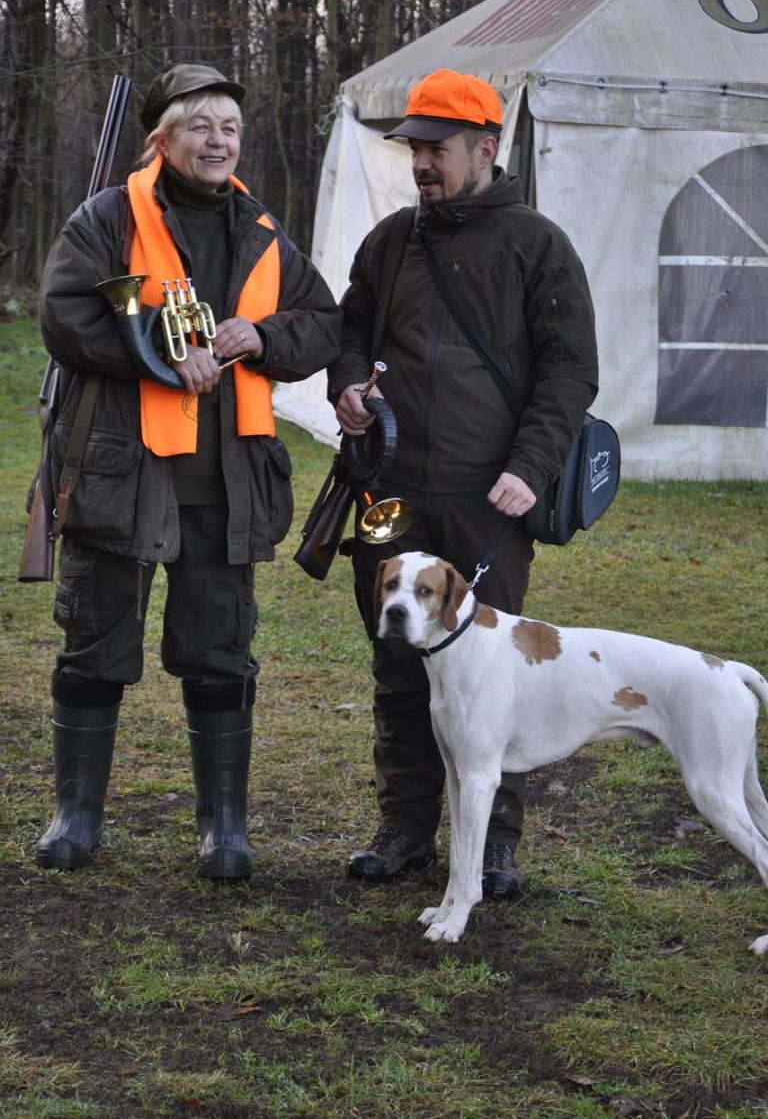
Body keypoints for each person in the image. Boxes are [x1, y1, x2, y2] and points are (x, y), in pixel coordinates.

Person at [34, 63, 341, 880]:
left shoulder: (263, 229)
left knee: (221, 650)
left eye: (229, 127)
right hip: (120, 471)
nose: (218, 140)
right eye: (200, 125)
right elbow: (63, 315)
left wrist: (260, 340)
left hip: (226, 479)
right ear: (161, 140)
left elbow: (323, 324)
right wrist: (161, 361)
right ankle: (75, 815)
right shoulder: (107, 217)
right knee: (95, 642)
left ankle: (223, 829)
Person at [328, 68, 598, 895]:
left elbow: (571, 371)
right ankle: (405, 828)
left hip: (491, 501)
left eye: (436, 148)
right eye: (413, 149)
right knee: (397, 661)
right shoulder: (387, 243)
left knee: (494, 676)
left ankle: (496, 848)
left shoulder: (538, 245)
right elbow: (348, 327)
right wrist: (346, 385)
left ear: (486, 147)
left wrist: (531, 466)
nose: (421, 164)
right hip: (391, 493)